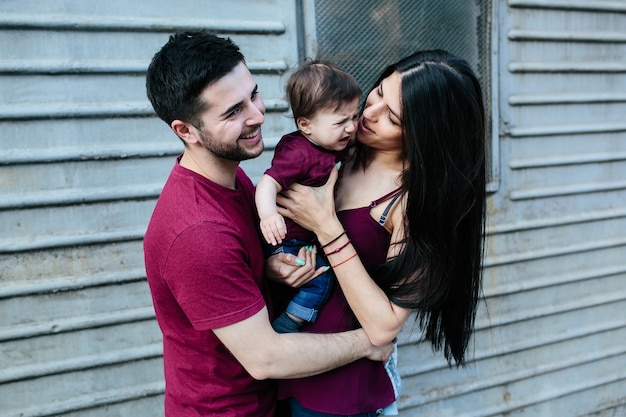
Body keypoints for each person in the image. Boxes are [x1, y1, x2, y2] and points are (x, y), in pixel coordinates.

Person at [142, 30, 393, 417]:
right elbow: (266, 358)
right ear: (185, 131)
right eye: (232, 112)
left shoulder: (234, 180)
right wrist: (368, 343)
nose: (257, 115)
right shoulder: (197, 232)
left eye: (253, 95)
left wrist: (270, 270)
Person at [268, 49, 487, 416]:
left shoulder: (416, 204)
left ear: (425, 135)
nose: (368, 114)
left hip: (343, 395)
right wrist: (274, 268)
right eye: (380, 92)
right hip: (287, 371)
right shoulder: (337, 149)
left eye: (392, 117)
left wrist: (327, 226)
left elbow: (385, 324)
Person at [255, 60, 361, 333]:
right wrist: (268, 215)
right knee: (320, 279)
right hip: (288, 240)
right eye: (341, 121)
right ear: (306, 124)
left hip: (308, 235)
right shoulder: (299, 154)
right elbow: (267, 183)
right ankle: (289, 323)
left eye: (354, 116)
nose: (350, 128)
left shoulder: (330, 142)